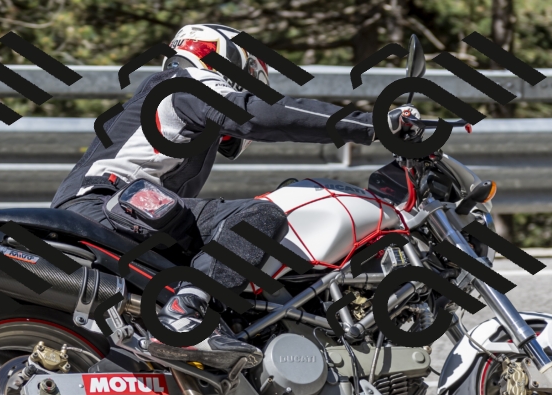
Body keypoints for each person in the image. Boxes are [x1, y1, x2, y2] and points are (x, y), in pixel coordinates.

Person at [51, 23, 378, 369]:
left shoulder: (167, 102)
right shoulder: (185, 83)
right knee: (260, 216)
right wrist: (369, 125)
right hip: (109, 205)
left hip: (111, 210)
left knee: (218, 254)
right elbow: (258, 115)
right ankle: (185, 317)